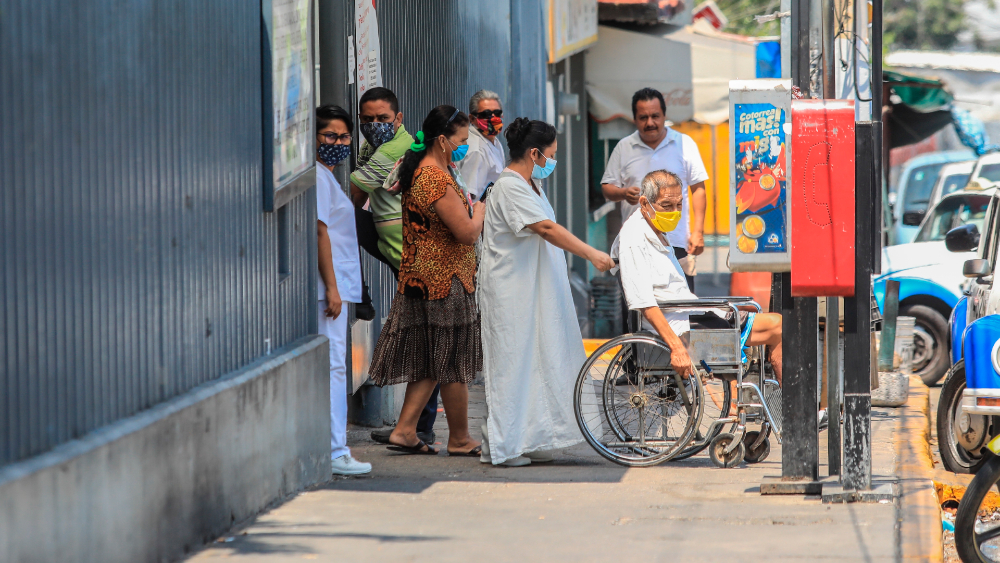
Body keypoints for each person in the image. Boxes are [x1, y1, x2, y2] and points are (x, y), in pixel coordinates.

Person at [478, 118, 615, 467]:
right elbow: (546, 228)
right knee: (512, 364)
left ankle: (531, 436)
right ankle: (503, 444)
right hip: (511, 293)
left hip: (534, 293)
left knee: (538, 362)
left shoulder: (531, 185)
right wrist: (592, 253)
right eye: (550, 155)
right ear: (534, 153)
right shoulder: (509, 187)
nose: (552, 162)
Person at [369, 105, 485, 457]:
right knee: (451, 363)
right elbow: (465, 233)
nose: (465, 146)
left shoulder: (427, 169)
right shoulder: (434, 177)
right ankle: (461, 439)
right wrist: (480, 208)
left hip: (425, 277)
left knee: (436, 362)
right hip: (443, 281)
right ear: (442, 140)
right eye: (462, 140)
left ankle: (405, 430)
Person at [612, 170, 783, 384]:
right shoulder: (634, 238)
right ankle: (789, 407)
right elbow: (643, 302)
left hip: (688, 312)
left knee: (773, 323)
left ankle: (769, 401)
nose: (674, 212)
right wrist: (676, 347)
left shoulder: (653, 227)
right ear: (645, 203)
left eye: (679, 205)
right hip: (680, 325)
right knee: (777, 325)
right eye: (667, 206)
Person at [601, 87, 708, 293]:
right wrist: (623, 193)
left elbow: (698, 188)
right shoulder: (624, 147)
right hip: (635, 245)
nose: (650, 123)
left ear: (664, 115)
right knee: (637, 311)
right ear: (634, 119)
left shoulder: (684, 144)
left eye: (655, 116)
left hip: (676, 242)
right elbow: (607, 187)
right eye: (643, 117)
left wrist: (698, 232)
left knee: (681, 309)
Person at [315, 105, 371, 475]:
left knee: (337, 366)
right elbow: (321, 231)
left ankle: (335, 448)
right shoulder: (319, 178)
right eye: (330, 136)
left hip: (337, 287)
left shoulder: (329, 176)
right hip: (328, 291)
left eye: (344, 137)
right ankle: (335, 451)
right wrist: (333, 288)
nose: (338, 143)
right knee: (335, 366)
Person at [350, 87, 412, 277]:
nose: (374, 125)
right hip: (393, 243)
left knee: (343, 217)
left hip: (406, 249)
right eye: (368, 120)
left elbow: (351, 191)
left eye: (383, 118)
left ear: (398, 118)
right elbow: (358, 195)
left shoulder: (393, 150)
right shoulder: (371, 145)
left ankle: (362, 303)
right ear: (360, 118)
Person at [456, 89, 506, 199]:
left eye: (497, 113)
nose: (493, 118)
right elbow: (469, 198)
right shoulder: (476, 150)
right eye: (486, 114)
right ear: (472, 119)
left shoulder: (494, 141)